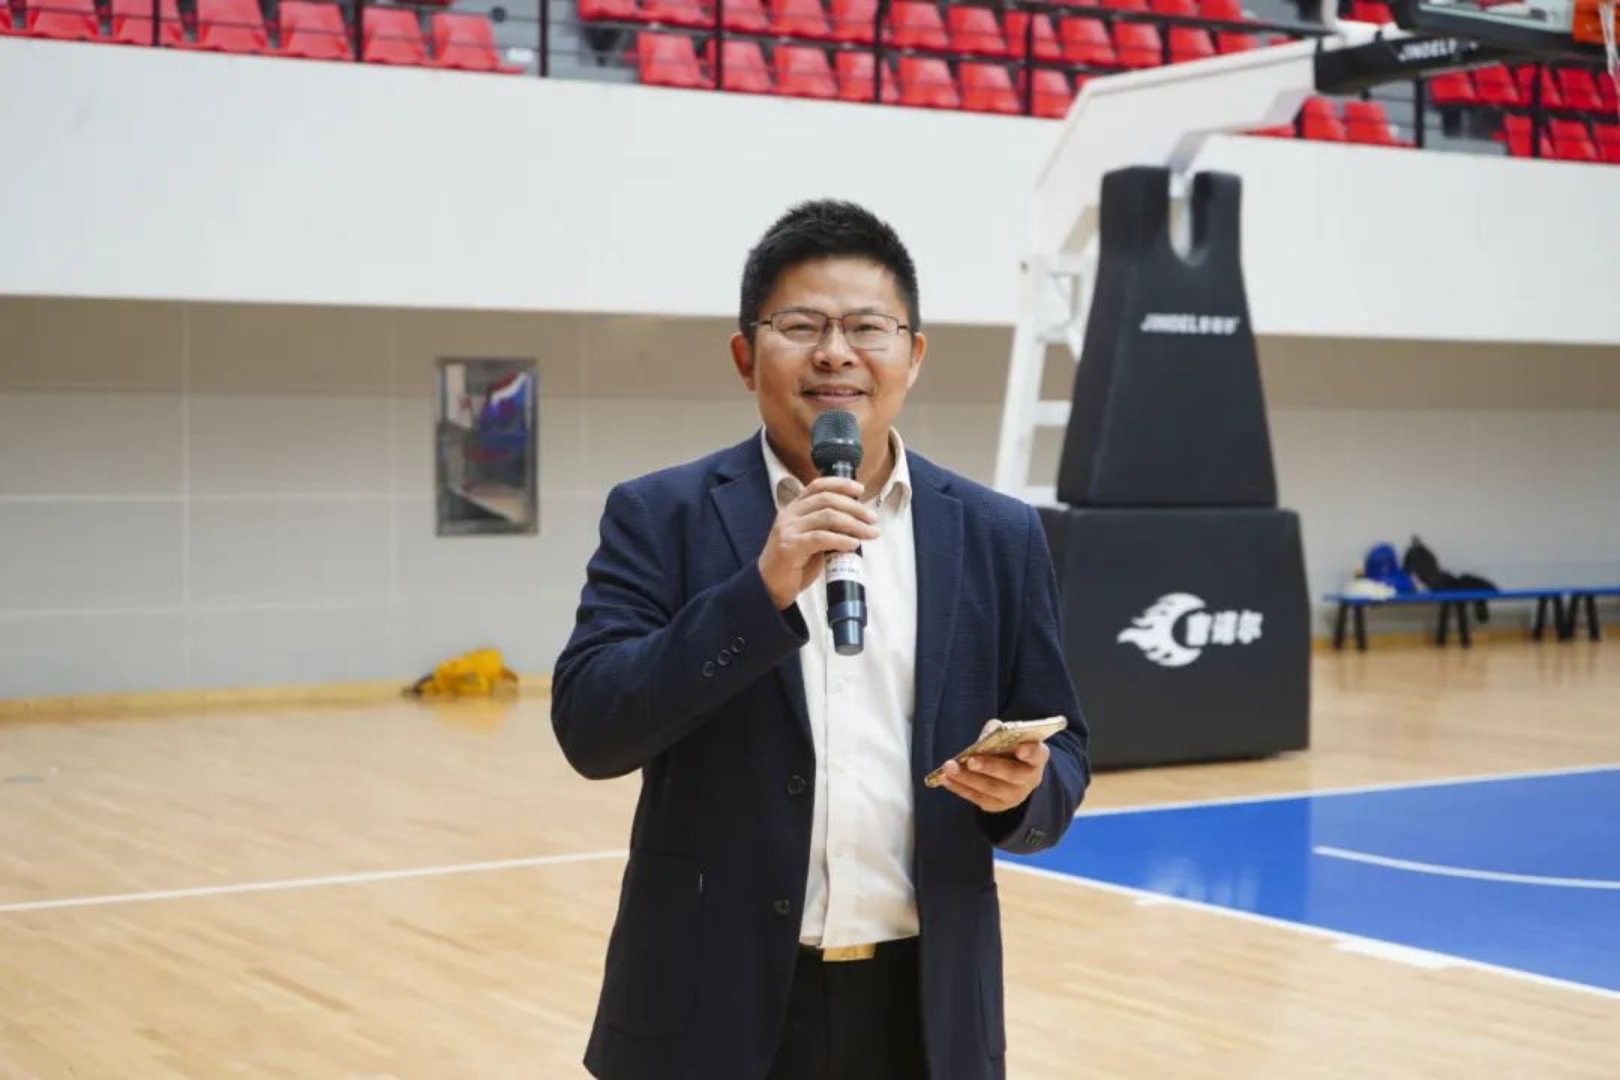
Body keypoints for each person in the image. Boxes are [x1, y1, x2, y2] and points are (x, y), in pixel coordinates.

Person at [552, 200, 1090, 1080]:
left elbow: (1064, 755)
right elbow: (592, 729)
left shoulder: (999, 534)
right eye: (801, 326)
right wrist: (758, 592)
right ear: (745, 356)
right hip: (707, 1007)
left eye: (868, 328)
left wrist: (1022, 789)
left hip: (926, 1015)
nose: (836, 353)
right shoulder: (660, 515)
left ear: (914, 355)